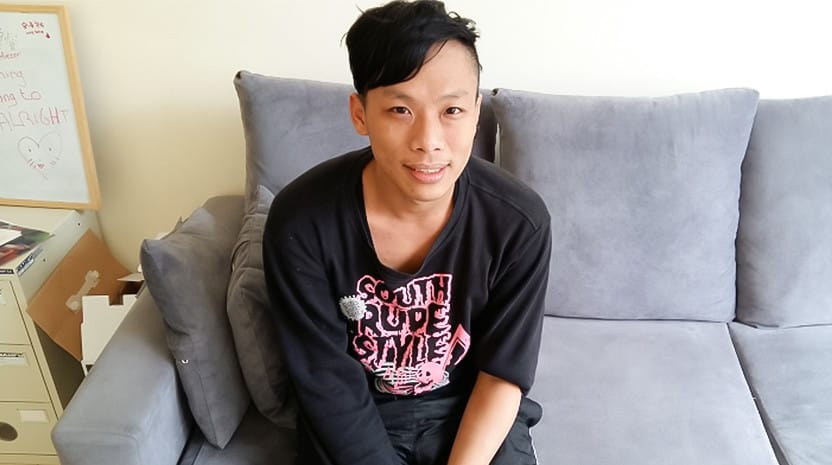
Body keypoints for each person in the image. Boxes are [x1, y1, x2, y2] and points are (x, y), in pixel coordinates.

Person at [262, 1, 552, 464]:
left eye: (452, 110)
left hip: (469, 409)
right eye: (400, 109)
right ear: (360, 113)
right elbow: (328, 386)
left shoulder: (518, 222)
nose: (429, 141)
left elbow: (502, 374)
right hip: (361, 413)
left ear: (476, 112)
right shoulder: (302, 223)